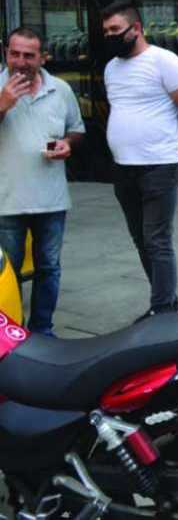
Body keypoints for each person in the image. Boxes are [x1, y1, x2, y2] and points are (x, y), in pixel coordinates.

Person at [101, 1, 178, 320]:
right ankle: (169, 303)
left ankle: (162, 309)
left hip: (161, 163)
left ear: (137, 29)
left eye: (115, 30)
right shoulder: (111, 69)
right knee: (141, 238)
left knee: (157, 239)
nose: (110, 36)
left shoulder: (164, 61)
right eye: (106, 32)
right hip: (123, 166)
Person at [0, 27, 85, 336]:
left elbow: (77, 129)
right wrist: (3, 102)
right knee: (6, 273)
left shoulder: (60, 89)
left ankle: (42, 330)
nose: (20, 61)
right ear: (6, 53)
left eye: (28, 55)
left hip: (51, 198)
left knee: (49, 268)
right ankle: (9, 333)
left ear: (42, 57)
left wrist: (68, 144)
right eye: (14, 53)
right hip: (6, 200)